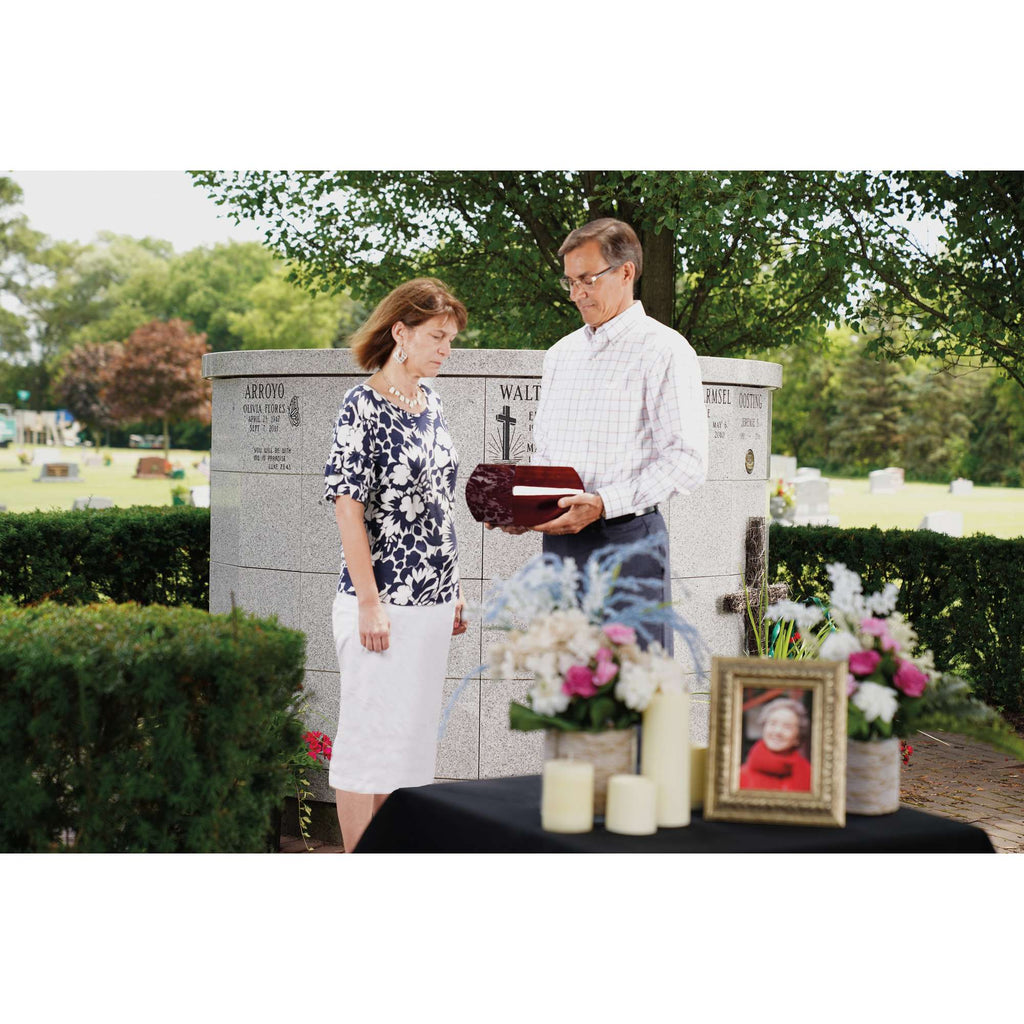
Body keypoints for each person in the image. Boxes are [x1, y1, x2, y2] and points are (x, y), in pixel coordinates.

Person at [490, 218, 708, 651]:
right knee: (566, 692)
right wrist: (527, 508)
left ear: (626, 272)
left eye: (587, 280)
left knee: (632, 692)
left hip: (627, 545)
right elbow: (548, 451)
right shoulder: (560, 356)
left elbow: (687, 461)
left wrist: (605, 503)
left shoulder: (665, 350)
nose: (576, 295)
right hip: (559, 547)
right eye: (570, 282)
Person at [323, 277, 469, 852]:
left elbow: (440, 505)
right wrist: (369, 604)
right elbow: (347, 509)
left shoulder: (431, 401)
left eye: (451, 339)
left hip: (432, 602)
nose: (446, 349)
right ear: (400, 332)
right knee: (367, 744)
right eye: (437, 336)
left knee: (407, 746)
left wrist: (452, 587)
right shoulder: (361, 404)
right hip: (380, 606)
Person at [739, 697, 812, 792]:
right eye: (772, 724)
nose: (777, 732)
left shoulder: (811, 776)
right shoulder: (739, 776)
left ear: (797, 738)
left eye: (787, 727)